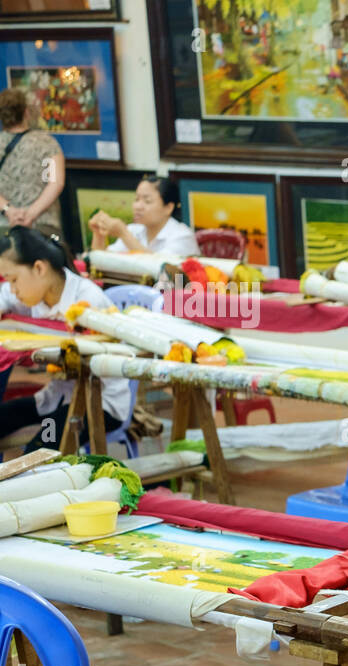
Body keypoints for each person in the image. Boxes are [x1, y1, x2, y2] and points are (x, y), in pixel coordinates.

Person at [0, 227, 129, 451]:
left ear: (39, 268)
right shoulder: (36, 293)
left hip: (97, 402)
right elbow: (4, 296)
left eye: (14, 280)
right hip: (57, 397)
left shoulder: (87, 301)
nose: (13, 289)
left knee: (39, 449)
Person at [0, 89, 65, 237]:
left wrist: (9, 211)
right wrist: (31, 213)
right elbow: (55, 182)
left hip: (4, 227)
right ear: (26, 112)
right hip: (42, 225)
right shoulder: (46, 144)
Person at [90, 175, 200, 257]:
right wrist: (98, 234)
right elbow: (104, 262)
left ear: (168, 208)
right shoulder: (133, 230)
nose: (137, 206)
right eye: (137, 199)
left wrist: (124, 234)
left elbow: (161, 270)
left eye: (147, 201)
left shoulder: (182, 236)